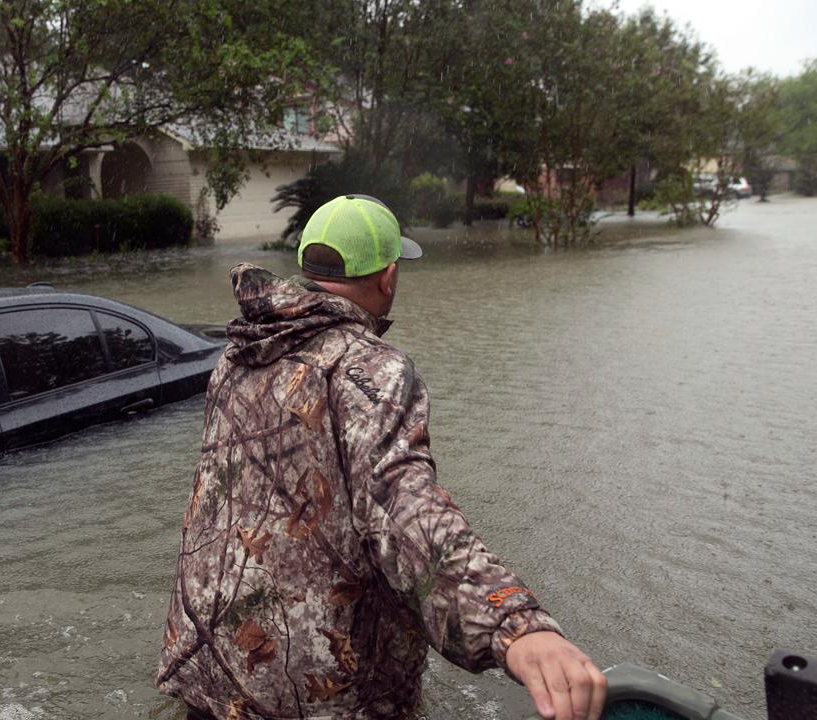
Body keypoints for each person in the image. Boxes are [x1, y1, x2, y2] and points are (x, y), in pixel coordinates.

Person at [155, 194, 606, 720]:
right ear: (388, 276)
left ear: (307, 266)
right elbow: (404, 510)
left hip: (213, 669)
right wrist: (515, 625)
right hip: (314, 698)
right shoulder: (371, 371)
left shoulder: (236, 357)